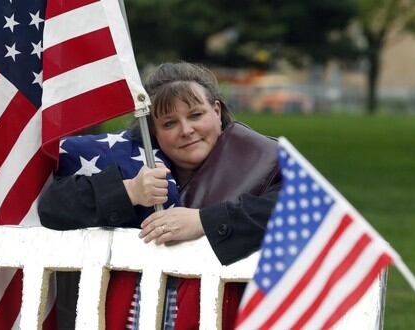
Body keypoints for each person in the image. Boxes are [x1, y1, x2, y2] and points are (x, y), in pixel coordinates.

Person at [38, 62, 282, 329]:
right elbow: (53, 206)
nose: (186, 130)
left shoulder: (261, 159)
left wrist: (204, 221)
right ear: (153, 132)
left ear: (216, 110)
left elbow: (295, 207)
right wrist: (129, 191)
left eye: (196, 115)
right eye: (169, 123)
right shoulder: (130, 162)